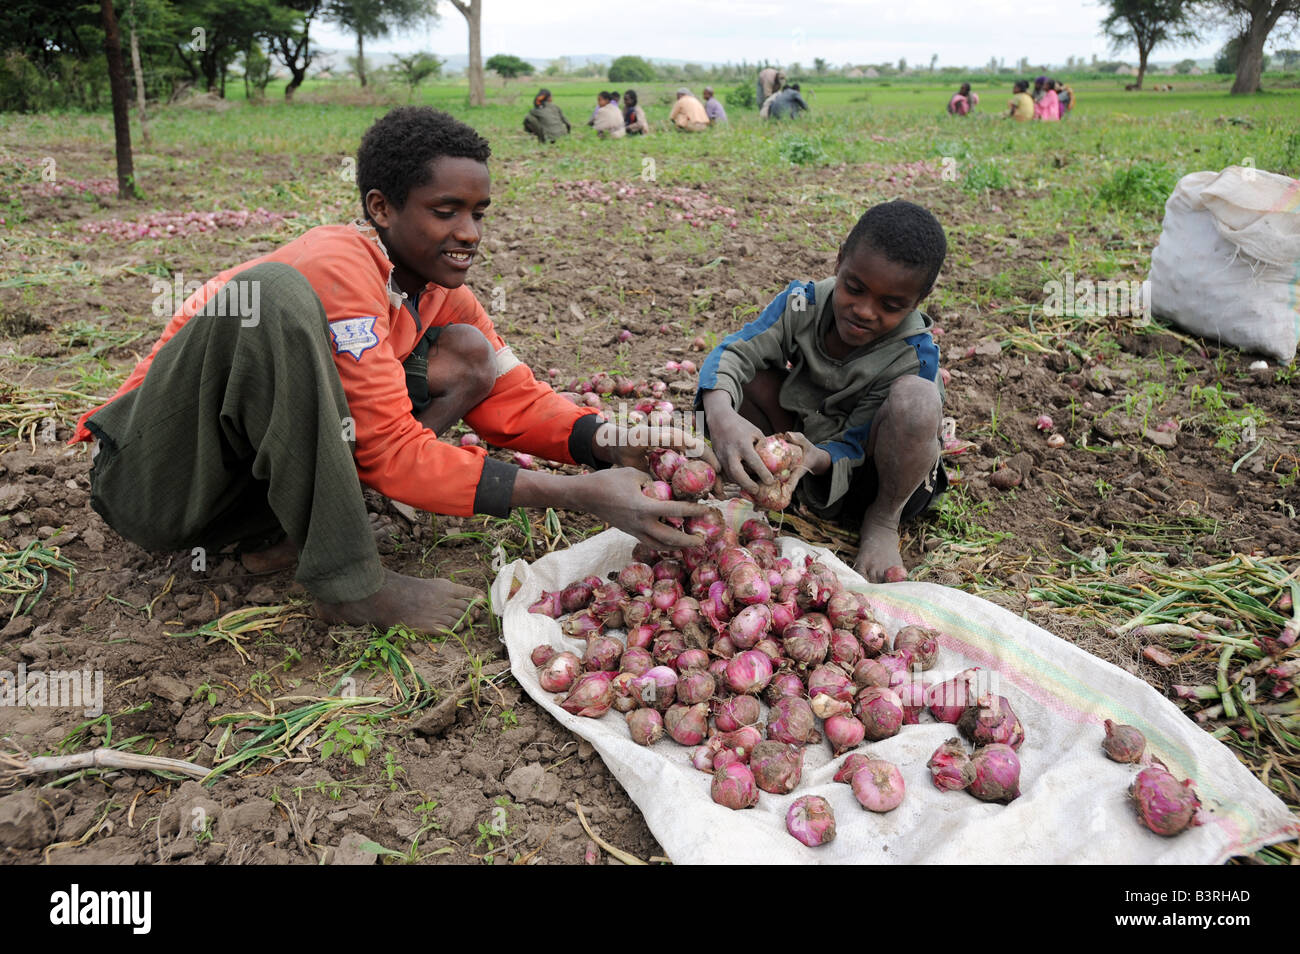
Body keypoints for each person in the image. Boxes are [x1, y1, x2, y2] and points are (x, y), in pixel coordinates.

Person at [72, 107, 712, 636]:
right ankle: (352, 586)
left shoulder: (438, 290)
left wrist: (606, 439)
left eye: (479, 212)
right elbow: (389, 450)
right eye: (445, 211)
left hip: (236, 495)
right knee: (271, 294)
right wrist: (579, 494)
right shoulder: (338, 261)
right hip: (158, 476)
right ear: (381, 207)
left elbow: (513, 398)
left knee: (468, 353)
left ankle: (282, 532)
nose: (469, 232)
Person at [696, 200, 948, 583]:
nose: (864, 310)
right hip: (802, 455)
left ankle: (882, 524)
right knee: (745, 377)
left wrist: (816, 457)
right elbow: (735, 351)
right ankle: (773, 484)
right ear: (840, 260)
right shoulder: (803, 303)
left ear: (919, 300)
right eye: (854, 288)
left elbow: (858, 443)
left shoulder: (914, 353)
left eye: (891, 305)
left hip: (875, 476)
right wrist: (721, 415)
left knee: (917, 402)